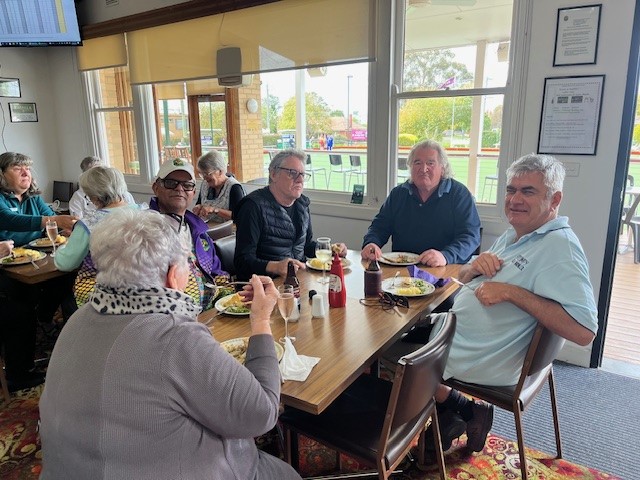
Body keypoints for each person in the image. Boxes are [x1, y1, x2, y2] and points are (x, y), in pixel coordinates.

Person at [39, 209, 301, 480]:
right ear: (174, 275)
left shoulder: (77, 319)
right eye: (188, 262)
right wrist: (261, 320)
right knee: (286, 474)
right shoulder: (174, 337)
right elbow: (261, 414)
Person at [427, 154, 598, 455]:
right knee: (399, 335)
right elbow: (463, 278)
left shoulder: (560, 248)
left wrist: (511, 292)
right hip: (461, 338)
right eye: (511, 190)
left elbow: (584, 332)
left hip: (480, 356)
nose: (515, 200)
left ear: (554, 199)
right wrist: (474, 267)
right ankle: (454, 414)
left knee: (385, 353)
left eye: (528, 191)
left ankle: (456, 410)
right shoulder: (517, 234)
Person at [362, 139, 481, 267]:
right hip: (402, 270)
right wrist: (372, 243)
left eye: (430, 163)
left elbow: (470, 236)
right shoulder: (398, 194)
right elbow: (379, 227)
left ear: (442, 168)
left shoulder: (459, 194)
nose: (423, 169)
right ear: (410, 167)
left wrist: (446, 256)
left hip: (445, 268)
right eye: (417, 163)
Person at [234, 148, 347, 280]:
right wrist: (275, 266)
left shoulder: (302, 204)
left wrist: (330, 250)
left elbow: (305, 246)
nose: (300, 180)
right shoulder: (252, 206)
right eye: (292, 173)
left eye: (302, 174)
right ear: (273, 174)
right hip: (266, 284)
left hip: (298, 279)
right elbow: (242, 262)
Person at [55, 166, 143, 306]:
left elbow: (66, 263)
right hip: (144, 287)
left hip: (104, 293)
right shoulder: (146, 213)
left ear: (95, 197)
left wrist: (62, 246)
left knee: (64, 296)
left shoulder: (89, 223)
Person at [150, 157, 226, 309]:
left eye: (187, 185)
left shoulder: (199, 230)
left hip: (213, 311)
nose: (179, 189)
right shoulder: (141, 232)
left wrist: (229, 294)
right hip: (172, 315)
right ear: (156, 187)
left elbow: (217, 271)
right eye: (171, 183)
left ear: (193, 192)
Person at [68, 156, 136, 219]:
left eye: (103, 171)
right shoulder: (78, 197)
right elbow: (76, 220)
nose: (101, 176)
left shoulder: (122, 193)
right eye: (95, 174)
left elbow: (134, 214)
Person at [192, 150, 245, 223]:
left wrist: (214, 210)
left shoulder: (234, 188)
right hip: (208, 226)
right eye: (202, 174)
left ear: (220, 171)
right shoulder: (205, 184)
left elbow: (240, 216)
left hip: (228, 229)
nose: (204, 177)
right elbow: (199, 202)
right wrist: (198, 207)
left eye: (207, 173)